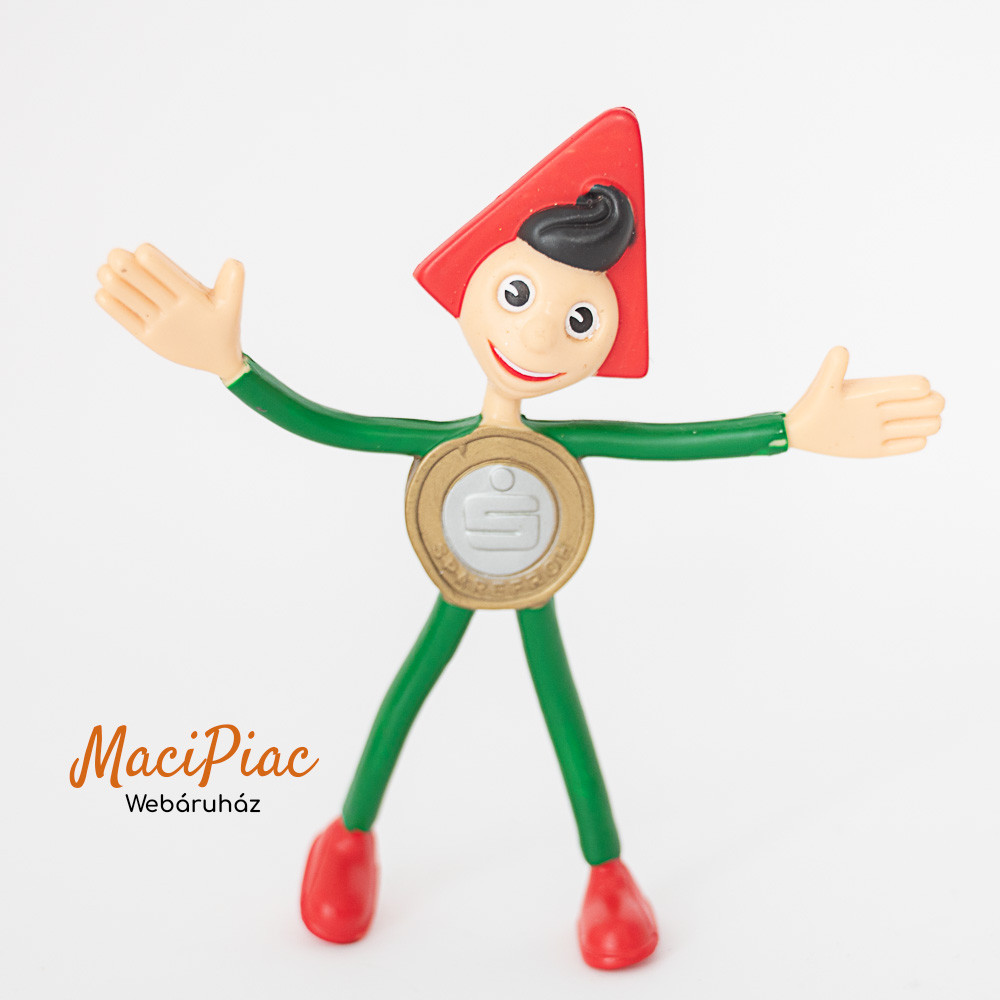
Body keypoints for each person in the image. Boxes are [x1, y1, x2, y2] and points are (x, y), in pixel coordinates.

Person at [95, 108, 943, 970]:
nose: (538, 335)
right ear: (471, 290)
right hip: (460, 578)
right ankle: (348, 837)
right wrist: (227, 364)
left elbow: (678, 441)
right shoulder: (442, 441)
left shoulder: (567, 441)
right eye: (517, 296)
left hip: (534, 581)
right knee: (408, 693)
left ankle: (606, 873)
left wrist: (792, 430)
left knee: (559, 709)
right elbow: (324, 424)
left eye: (579, 321)